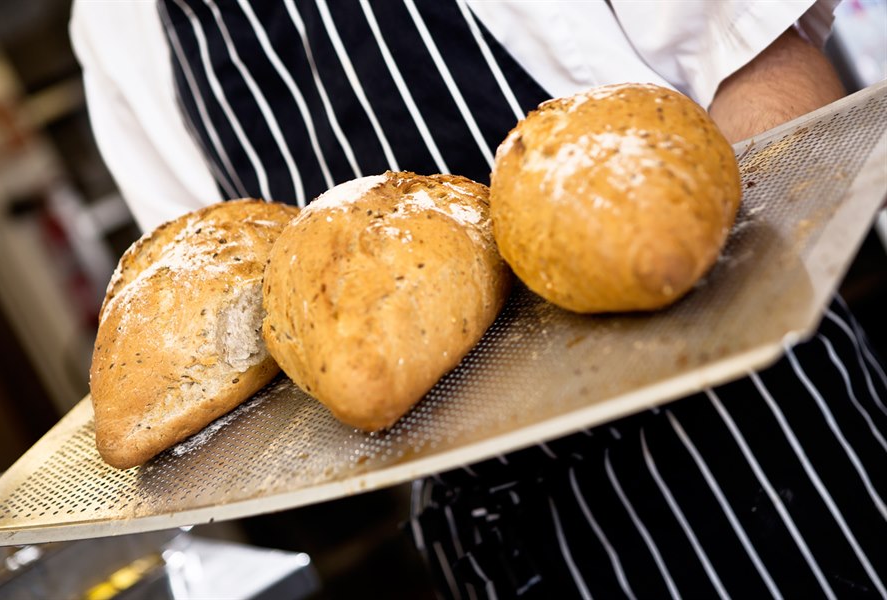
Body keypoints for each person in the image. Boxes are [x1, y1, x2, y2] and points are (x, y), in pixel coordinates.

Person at [70, 1, 886, 597]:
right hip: (492, 536)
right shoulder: (116, 27)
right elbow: (223, 308)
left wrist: (714, 286)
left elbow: (755, 53)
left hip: (748, 442)